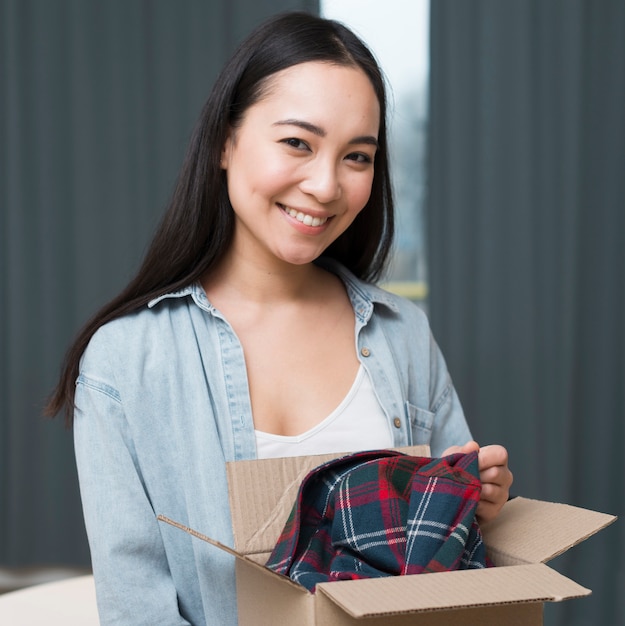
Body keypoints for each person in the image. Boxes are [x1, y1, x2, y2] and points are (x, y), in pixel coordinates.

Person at [46, 11, 513, 626]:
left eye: (357, 156)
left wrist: (477, 502)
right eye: (297, 142)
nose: (325, 185)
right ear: (225, 140)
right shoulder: (125, 362)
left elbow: (448, 567)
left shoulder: (402, 336)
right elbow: (138, 607)